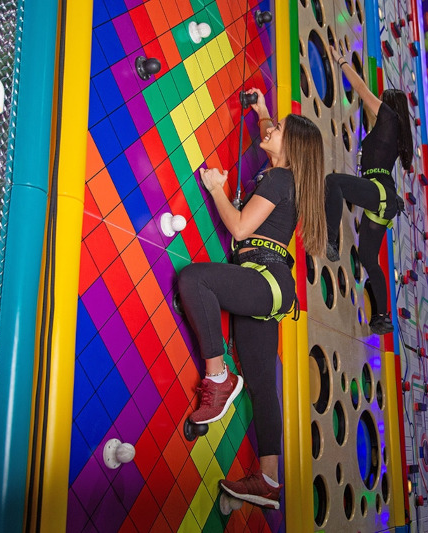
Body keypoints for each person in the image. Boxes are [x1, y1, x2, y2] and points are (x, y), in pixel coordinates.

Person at [178, 88, 326, 509]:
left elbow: (241, 229)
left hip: (263, 276)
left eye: (277, 129)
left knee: (193, 280)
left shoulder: (281, 177)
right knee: (263, 385)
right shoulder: (285, 174)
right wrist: (262, 112)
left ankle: (218, 377)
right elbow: (274, 135)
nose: (271, 128)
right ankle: (268, 479)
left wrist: (215, 188)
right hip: (272, 285)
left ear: (291, 147)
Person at [325, 45, 414, 336]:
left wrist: (340, 60)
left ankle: (330, 242)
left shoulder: (388, 116)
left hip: (381, 192)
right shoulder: (394, 132)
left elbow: (361, 89)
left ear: (389, 104)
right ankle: (382, 317)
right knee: (368, 260)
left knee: (334, 183)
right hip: (385, 199)